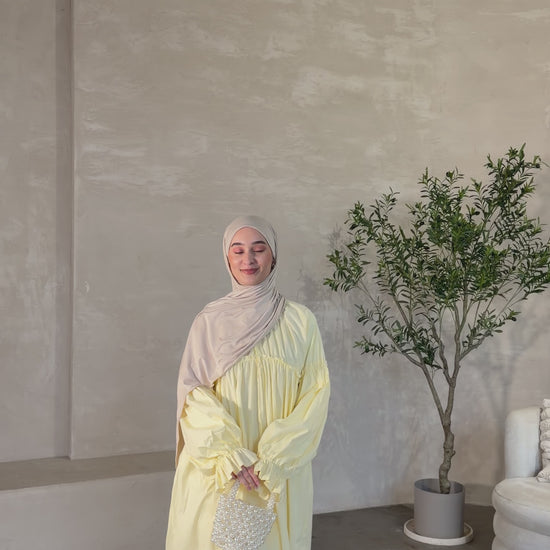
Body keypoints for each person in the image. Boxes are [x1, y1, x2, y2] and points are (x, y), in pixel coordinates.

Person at [165, 215, 330, 550]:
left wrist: (273, 459)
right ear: (227, 258)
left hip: (275, 472)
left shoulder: (300, 321)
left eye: (258, 249)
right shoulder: (209, 321)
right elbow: (193, 393)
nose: (248, 259)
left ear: (273, 255)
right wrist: (230, 455)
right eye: (238, 251)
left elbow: (315, 394)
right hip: (222, 469)